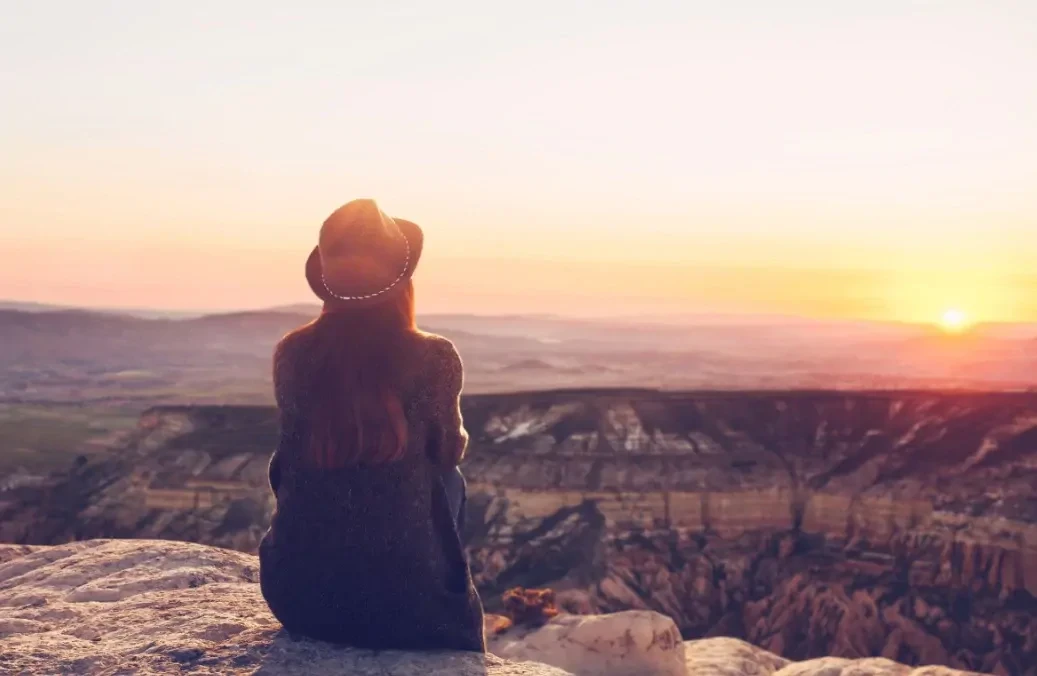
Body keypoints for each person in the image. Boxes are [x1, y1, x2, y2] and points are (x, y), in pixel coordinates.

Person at [258, 199, 486, 652]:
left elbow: (290, 459)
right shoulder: (434, 357)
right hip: (412, 611)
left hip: (299, 598)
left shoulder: (293, 353)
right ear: (402, 282)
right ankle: (429, 577)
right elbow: (447, 451)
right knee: (448, 478)